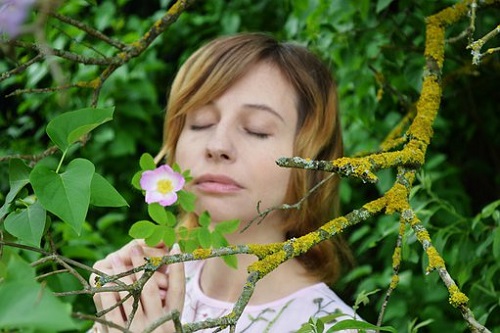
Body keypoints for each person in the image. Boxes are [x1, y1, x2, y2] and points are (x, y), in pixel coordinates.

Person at [91, 32, 359, 332]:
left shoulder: (333, 326)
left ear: (313, 160)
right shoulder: (151, 287)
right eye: (201, 122)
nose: (217, 144)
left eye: (257, 130)